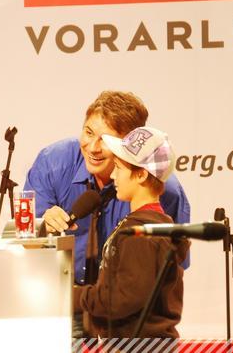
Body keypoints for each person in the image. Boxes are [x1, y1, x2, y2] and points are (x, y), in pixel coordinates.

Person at [24, 91, 190, 286]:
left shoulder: (160, 190)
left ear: (129, 145)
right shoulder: (52, 163)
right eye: (89, 132)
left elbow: (170, 270)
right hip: (56, 291)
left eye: (105, 139)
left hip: (124, 297)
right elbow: (26, 242)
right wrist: (42, 226)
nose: (93, 147)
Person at [79, 126, 190, 338]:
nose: (113, 175)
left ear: (140, 174)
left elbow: (122, 298)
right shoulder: (150, 226)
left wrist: (75, 297)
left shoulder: (143, 234)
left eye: (118, 168)